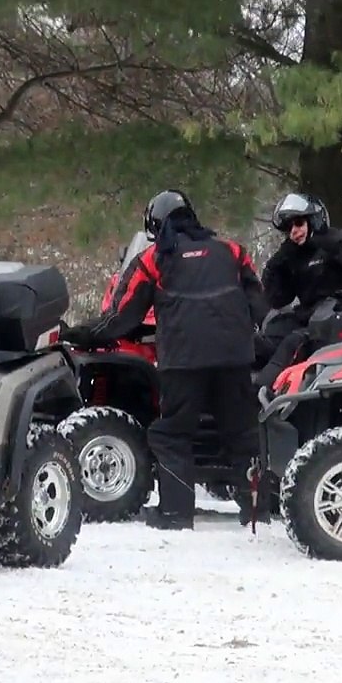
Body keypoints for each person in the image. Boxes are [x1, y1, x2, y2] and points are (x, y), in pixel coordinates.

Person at [60, 190, 269, 530]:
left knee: (172, 434)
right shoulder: (232, 251)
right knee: (242, 432)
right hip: (234, 359)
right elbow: (261, 305)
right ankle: (257, 509)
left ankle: (175, 512)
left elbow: (121, 316)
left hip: (183, 361)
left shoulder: (154, 259)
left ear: (156, 224)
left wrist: (82, 333)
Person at [256, 193, 342, 387]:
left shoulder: (340, 239)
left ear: (314, 220)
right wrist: (276, 266)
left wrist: (331, 245)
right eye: (288, 228)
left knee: (293, 343)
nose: (294, 231)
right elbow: (278, 299)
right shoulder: (294, 257)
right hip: (310, 318)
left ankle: (259, 396)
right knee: (272, 333)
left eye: (298, 223)